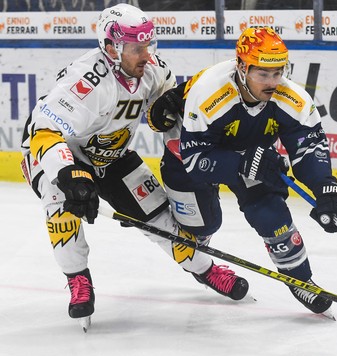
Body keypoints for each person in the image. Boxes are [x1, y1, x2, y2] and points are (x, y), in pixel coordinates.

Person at [20, 3, 248, 329]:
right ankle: (77, 278)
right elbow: (43, 132)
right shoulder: (85, 83)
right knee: (62, 207)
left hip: (112, 157)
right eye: (136, 47)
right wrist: (70, 175)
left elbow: (166, 113)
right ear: (112, 47)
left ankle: (204, 269)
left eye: (147, 44)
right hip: (59, 155)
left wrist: (176, 123)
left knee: (160, 218)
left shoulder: (151, 69)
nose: (146, 54)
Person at [147, 27, 337, 316]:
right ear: (242, 67)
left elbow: (308, 147)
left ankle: (301, 280)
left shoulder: (291, 98)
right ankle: (199, 263)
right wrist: (243, 161)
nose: (272, 82)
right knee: (204, 226)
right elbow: (194, 159)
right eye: (262, 74)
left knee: (272, 214)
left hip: (249, 154)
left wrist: (326, 186)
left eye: (278, 73)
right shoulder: (210, 94)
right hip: (188, 155)